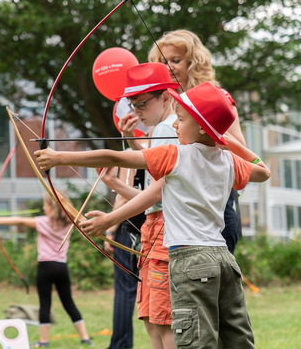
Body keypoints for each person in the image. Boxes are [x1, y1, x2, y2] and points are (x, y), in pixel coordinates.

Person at [35, 82, 270, 348]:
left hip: (190, 259)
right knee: (238, 339)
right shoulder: (228, 160)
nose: (176, 126)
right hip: (224, 260)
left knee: (196, 342)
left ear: (203, 128)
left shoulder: (175, 155)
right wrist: (225, 140)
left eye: (181, 120)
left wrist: (59, 157)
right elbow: (262, 171)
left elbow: (116, 158)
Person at [103, 62, 180, 349]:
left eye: (142, 104)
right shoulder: (161, 129)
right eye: (133, 105)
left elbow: (158, 195)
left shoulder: (164, 128)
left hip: (163, 232)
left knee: (163, 321)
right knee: (151, 317)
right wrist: (115, 184)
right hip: (153, 228)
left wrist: (109, 220)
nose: (137, 112)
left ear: (166, 98)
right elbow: (151, 193)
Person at [148, 29, 246, 254]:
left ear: (194, 63)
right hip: (176, 215)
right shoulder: (162, 106)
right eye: (162, 63)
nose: (169, 67)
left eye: (176, 60)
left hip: (213, 209)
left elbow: (239, 150)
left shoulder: (217, 98)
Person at [0, 190, 92, 348]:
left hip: (45, 267)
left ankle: (43, 341)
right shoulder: (70, 222)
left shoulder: (43, 222)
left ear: (52, 207)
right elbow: (81, 219)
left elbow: (20, 222)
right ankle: (85, 338)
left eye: (45, 204)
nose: (43, 208)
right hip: (61, 267)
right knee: (69, 303)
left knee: (45, 304)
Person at [104, 168, 145, 349]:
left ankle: (120, 345)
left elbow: (122, 197)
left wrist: (110, 229)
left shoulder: (131, 156)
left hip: (129, 229)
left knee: (125, 290)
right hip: (151, 228)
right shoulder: (158, 148)